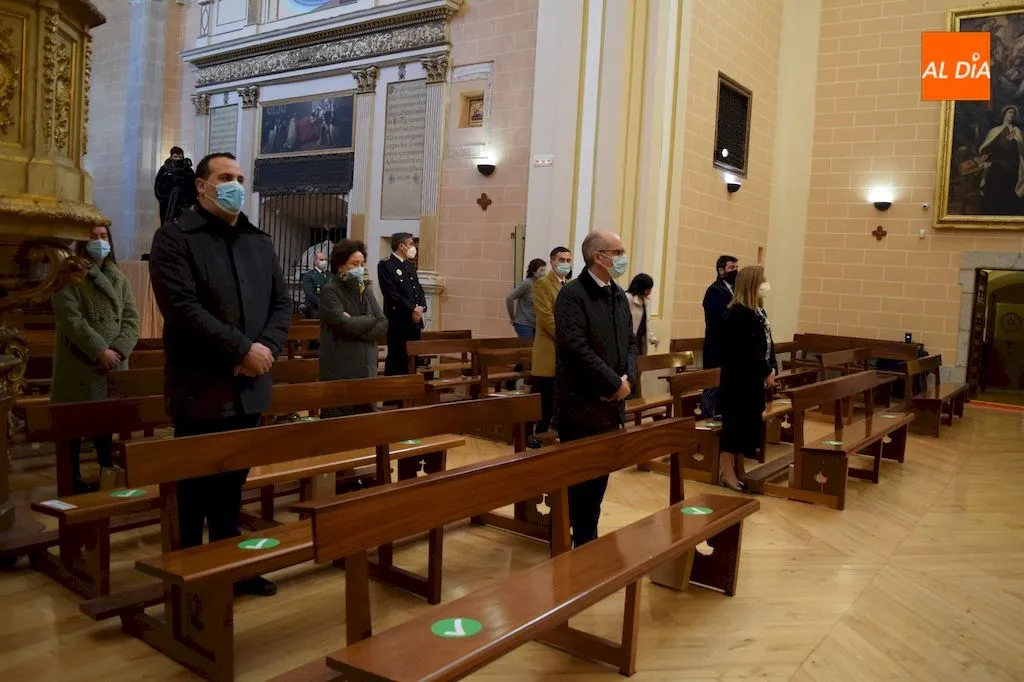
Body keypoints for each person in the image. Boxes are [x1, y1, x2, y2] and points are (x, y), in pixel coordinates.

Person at [149, 152, 291, 597]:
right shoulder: (174, 239)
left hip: (250, 385)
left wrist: (263, 349)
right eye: (225, 177)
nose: (235, 185)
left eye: (240, 178)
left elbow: (281, 304)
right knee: (194, 491)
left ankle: (233, 567)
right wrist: (240, 348)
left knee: (233, 486)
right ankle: (190, 575)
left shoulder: (258, 241)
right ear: (201, 185)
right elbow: (182, 309)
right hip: (200, 385)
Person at [554, 231, 638, 547]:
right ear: (597, 257)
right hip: (582, 402)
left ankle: (588, 533)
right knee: (580, 476)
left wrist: (626, 380)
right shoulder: (573, 295)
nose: (621, 257)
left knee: (600, 473)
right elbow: (575, 348)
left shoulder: (617, 294)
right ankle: (575, 536)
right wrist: (613, 383)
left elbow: (630, 342)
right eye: (617, 252)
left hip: (611, 403)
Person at [51, 225, 140, 493]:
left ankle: (106, 474)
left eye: (103, 237)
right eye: (93, 237)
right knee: (74, 425)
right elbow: (71, 318)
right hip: (80, 361)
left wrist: (119, 351)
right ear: (82, 241)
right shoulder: (69, 274)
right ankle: (72, 480)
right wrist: (100, 350)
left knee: (105, 423)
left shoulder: (118, 277)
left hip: (112, 363)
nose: (99, 242)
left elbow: (131, 319)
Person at [718, 265, 777, 492]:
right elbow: (747, 350)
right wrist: (766, 369)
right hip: (738, 382)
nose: (766, 285)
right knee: (733, 427)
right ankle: (728, 473)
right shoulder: (738, 313)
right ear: (752, 284)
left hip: (751, 380)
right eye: (762, 280)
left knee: (744, 427)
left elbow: (767, 343)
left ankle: (736, 470)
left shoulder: (756, 311)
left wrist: (771, 367)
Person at [318, 239, 388, 416]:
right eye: (355, 264)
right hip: (341, 365)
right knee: (338, 425)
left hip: (367, 365)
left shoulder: (364, 287)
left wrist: (360, 324)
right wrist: (369, 320)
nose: (360, 268)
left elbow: (383, 322)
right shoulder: (330, 290)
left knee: (365, 425)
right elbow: (343, 325)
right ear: (341, 266)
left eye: (362, 264)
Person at [529, 246, 573, 448]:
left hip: (564, 352)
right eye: (561, 259)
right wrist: (566, 337)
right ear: (552, 261)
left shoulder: (568, 286)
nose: (565, 263)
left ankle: (549, 433)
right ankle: (534, 435)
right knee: (543, 397)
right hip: (548, 349)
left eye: (568, 260)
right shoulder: (542, 284)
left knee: (557, 397)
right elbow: (546, 317)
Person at [378, 232, 427, 376]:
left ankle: (409, 396)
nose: (414, 247)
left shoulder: (410, 266)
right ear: (401, 246)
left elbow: (418, 290)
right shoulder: (386, 264)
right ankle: (393, 397)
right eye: (411, 244)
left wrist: (421, 307)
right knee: (397, 360)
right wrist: (411, 309)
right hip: (398, 321)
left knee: (411, 361)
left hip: (414, 322)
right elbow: (391, 294)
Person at [701, 254, 738, 417]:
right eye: (732, 268)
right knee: (713, 387)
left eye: (737, 268)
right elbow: (720, 318)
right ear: (721, 270)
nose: (736, 271)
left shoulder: (735, 289)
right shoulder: (714, 290)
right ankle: (708, 417)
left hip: (730, 348)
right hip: (716, 347)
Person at [154, 146, 197, 225]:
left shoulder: (188, 171)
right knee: (167, 226)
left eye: (180, 157)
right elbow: (157, 188)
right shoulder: (164, 169)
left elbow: (194, 188)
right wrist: (166, 197)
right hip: (167, 205)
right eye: (175, 157)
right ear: (171, 157)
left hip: (184, 205)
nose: (177, 159)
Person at [506, 258, 546, 340]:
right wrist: (512, 317)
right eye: (541, 270)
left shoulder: (541, 284)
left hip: (536, 324)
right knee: (527, 350)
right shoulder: (527, 283)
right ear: (534, 271)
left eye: (544, 270)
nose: (543, 273)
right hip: (524, 324)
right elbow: (509, 298)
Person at [626, 273, 660, 356]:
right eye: (648, 289)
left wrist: (652, 338)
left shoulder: (644, 301)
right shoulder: (627, 298)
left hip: (640, 340)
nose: (650, 291)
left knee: (641, 364)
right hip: (629, 340)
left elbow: (646, 322)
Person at [300, 251, 330, 319]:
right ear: (315, 261)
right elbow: (310, 294)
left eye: (325, 260)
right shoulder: (308, 275)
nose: (324, 262)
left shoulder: (330, 275)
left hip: (330, 309)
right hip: (315, 309)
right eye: (322, 260)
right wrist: (324, 304)